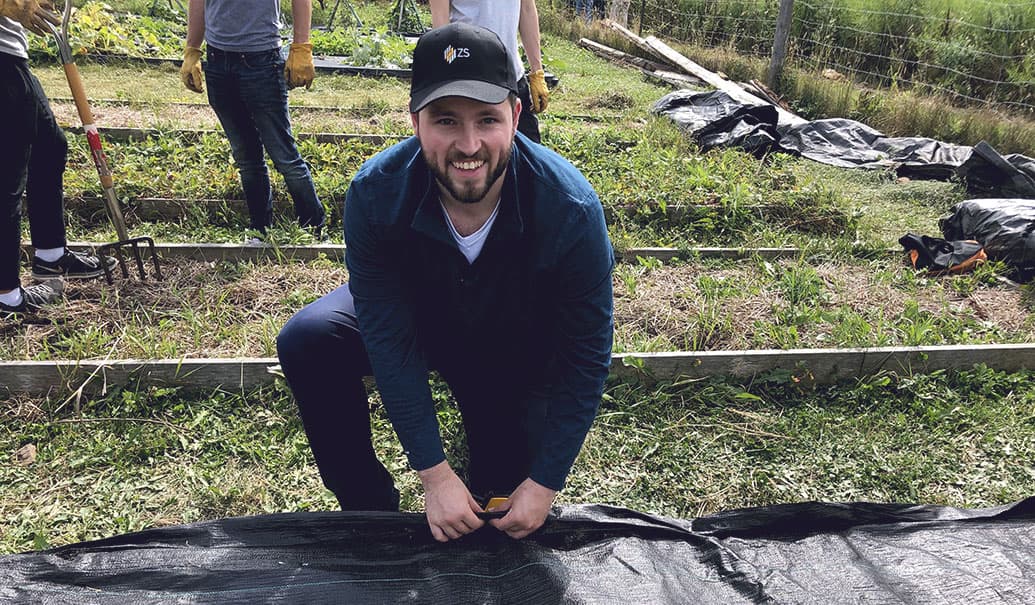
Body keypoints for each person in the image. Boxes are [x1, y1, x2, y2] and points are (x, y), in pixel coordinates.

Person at [277, 23, 613, 542]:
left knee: (501, 498)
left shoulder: (570, 209)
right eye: (446, 120)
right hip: (424, 314)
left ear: (516, 116)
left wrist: (545, 483)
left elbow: (586, 351)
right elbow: (387, 335)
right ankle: (369, 510)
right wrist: (432, 472)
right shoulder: (376, 194)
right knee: (310, 340)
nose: (469, 144)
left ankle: (493, 436)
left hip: (515, 338)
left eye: (487, 119)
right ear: (415, 121)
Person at [1, 0, 115, 316]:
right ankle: (5, 295)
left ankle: (50, 256)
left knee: (50, 147)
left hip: (11, 56)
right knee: (6, 177)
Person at [179, 0, 325, 242]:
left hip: (262, 61)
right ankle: (260, 230)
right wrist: (192, 49)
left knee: (284, 155)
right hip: (218, 62)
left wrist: (301, 47)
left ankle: (314, 230)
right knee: (247, 158)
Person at [429, 0, 549, 144]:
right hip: (469, 80)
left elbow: (527, 9)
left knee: (529, 152)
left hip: (512, 76)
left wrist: (537, 72)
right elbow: (440, 22)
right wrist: (447, 71)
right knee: (473, 150)